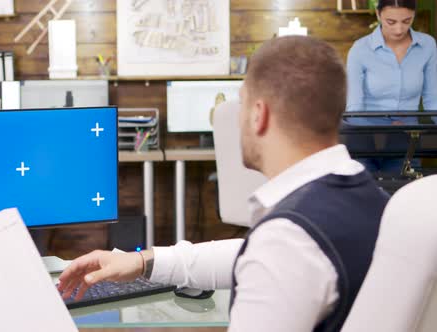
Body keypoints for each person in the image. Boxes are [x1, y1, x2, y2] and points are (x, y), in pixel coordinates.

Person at [58, 36, 390, 332]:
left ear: (259, 114)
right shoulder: (371, 201)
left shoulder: (288, 240)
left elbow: (274, 253)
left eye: (241, 103)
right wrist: (144, 261)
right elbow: (248, 254)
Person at [346, 0, 437, 172]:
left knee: (405, 193)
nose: (399, 29)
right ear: (378, 14)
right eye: (391, 22)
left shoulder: (428, 46)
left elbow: (433, 99)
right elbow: (354, 108)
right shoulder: (360, 49)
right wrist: (384, 131)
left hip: (408, 139)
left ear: (414, 15)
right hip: (366, 140)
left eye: (406, 21)